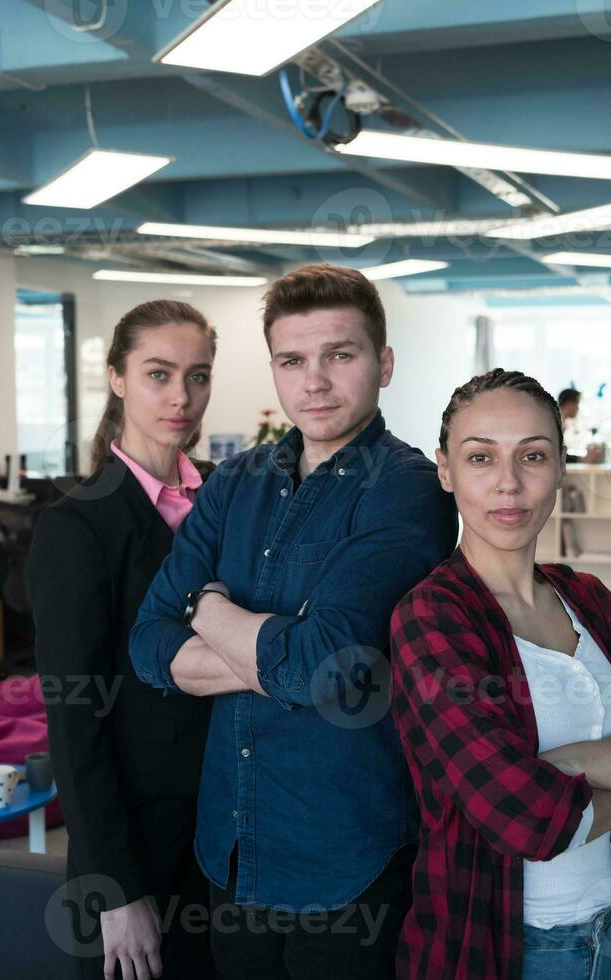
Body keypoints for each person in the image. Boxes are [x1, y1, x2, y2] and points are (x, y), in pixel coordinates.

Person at [127, 263, 458, 980]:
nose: (315, 381)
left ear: (384, 364)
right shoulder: (235, 482)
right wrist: (284, 650)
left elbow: (327, 667)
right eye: (292, 360)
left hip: (345, 857)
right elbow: (149, 645)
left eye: (340, 355)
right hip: (233, 845)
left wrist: (205, 607)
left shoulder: (408, 489)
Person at [390, 368, 611, 980]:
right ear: (445, 470)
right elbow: (532, 819)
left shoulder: (586, 595)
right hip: (504, 942)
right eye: (481, 457)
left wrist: (562, 766)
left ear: (560, 467)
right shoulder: (431, 615)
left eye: (532, 456)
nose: (508, 484)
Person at [27, 300, 219, 980]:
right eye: (158, 375)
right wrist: (115, 887)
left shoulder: (222, 500)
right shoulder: (77, 527)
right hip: (136, 841)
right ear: (116, 378)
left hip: (228, 823)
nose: (181, 397)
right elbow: (74, 719)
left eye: (197, 376)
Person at [559, 386, 584, 463]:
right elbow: (557, 455)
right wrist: (581, 459)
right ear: (568, 404)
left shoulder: (559, 421)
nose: (578, 408)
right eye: (577, 404)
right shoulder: (556, 423)